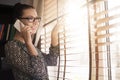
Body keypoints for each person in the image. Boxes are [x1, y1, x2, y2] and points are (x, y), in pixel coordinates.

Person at [4, 3, 60, 80]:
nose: (36, 23)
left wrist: (54, 35)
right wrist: (29, 43)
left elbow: (51, 61)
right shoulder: (11, 47)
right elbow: (40, 73)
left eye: (37, 19)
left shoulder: (31, 46)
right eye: (30, 19)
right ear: (18, 22)